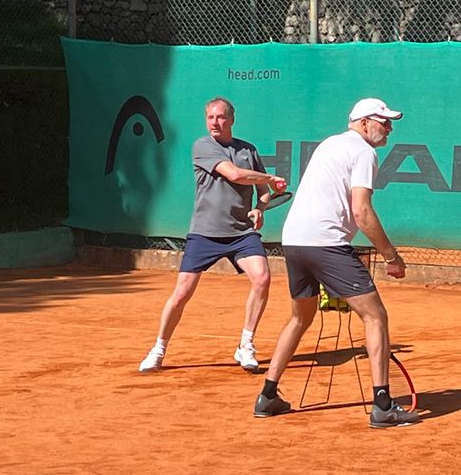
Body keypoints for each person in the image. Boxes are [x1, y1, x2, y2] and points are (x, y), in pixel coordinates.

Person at [253, 97, 419, 428]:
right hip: (325, 243)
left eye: (390, 122)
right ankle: (383, 405)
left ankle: (267, 396)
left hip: (295, 241)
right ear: (363, 122)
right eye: (383, 121)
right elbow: (362, 211)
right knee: (375, 316)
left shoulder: (331, 144)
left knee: (301, 317)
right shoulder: (363, 152)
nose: (389, 128)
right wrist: (392, 256)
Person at [138, 97, 287, 373]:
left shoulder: (247, 150)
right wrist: (269, 179)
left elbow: (263, 193)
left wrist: (259, 208)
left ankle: (245, 345)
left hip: (241, 232)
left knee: (263, 278)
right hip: (205, 233)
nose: (214, 123)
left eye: (220, 118)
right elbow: (235, 175)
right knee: (182, 293)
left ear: (231, 120)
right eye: (210, 118)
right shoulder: (203, 146)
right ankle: (158, 349)